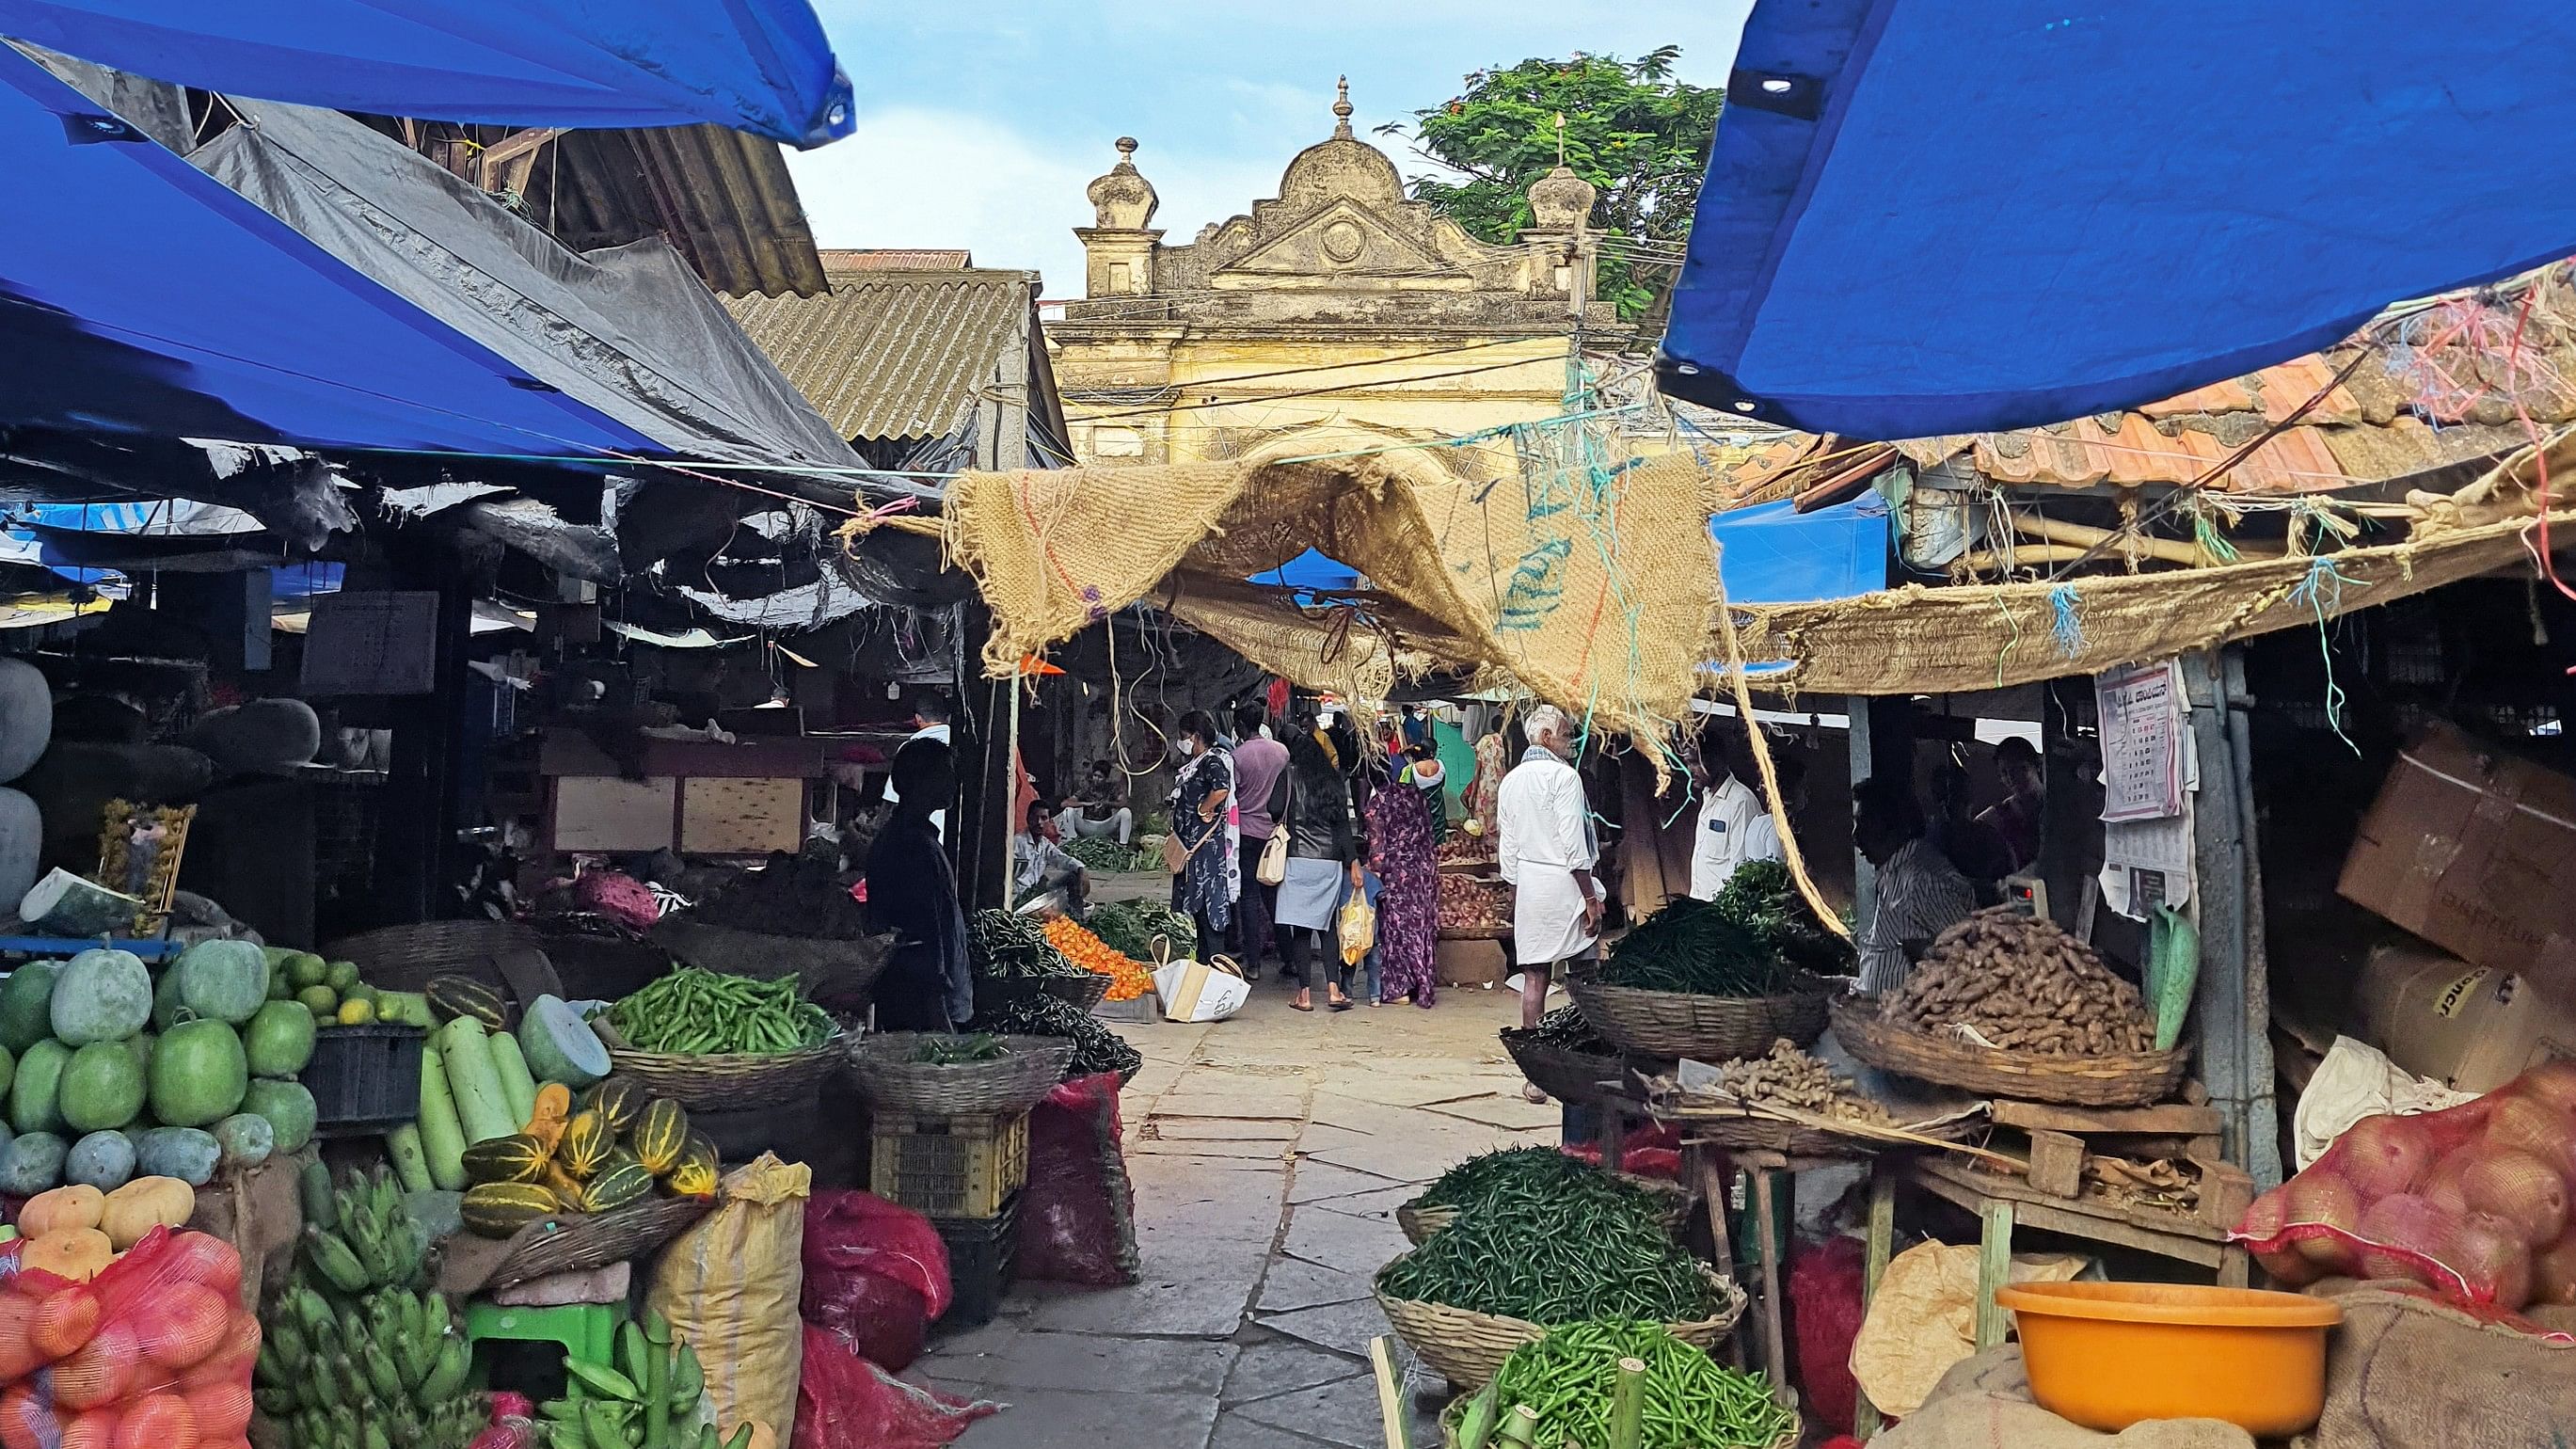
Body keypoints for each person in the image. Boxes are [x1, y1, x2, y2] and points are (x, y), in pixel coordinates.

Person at [1497, 705, 1601, 1034]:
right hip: (1565, 887)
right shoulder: (1566, 777)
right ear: (1546, 737)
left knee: (1534, 977)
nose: (1571, 742)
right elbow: (1574, 845)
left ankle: (1534, 1068)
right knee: (1585, 971)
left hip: (1530, 888)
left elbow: (1508, 851)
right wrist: (1590, 898)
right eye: (1567, 735)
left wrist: (1517, 899)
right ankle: (1587, 1045)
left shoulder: (1510, 782)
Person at [864, 739, 973, 1032]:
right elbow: (918, 937)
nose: (953, 782)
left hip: (917, 996)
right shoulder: (912, 848)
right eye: (945, 773)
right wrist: (936, 1008)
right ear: (921, 781)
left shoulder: (914, 840)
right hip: (917, 1001)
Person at [1852, 775, 1980, 995]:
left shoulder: (1921, 880)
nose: (1856, 837)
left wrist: (1925, 951)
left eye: (1864, 823)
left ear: (1895, 824)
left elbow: (1971, 953)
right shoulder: (1896, 872)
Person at [1277, 712, 1358, 1011]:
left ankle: (1305, 995)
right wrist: (1353, 861)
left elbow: (1274, 809)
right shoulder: (1332, 780)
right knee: (1326, 927)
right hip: (1329, 862)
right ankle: (1334, 991)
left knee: (1300, 930)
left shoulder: (1289, 776)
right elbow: (1343, 827)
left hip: (1298, 860)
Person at [1367, 746, 1440, 1007]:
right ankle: (1423, 983)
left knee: (1398, 931)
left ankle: (1400, 988)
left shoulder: (1377, 805)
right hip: (1422, 872)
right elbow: (1429, 832)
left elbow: (1378, 852)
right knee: (1420, 928)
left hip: (1397, 875)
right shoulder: (1414, 794)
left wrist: (1370, 874)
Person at [1165, 709, 1236, 956]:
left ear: (1195, 736)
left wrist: (1204, 809)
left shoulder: (1212, 761)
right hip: (1191, 852)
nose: (1182, 742)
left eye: (1184, 737)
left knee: (1209, 910)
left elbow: (1221, 789)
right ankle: (1204, 966)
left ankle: (1215, 967)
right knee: (1197, 913)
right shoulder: (1195, 764)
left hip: (1205, 851)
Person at [1230, 701, 1291, 977]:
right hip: (1275, 834)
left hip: (1246, 832)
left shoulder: (1237, 757)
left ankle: (1253, 964)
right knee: (1275, 896)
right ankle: (1289, 957)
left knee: (1249, 899)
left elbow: (1232, 796)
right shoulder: (1281, 752)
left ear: (1241, 725)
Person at [1689, 736, 1782, 900]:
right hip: (1699, 903)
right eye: (1689, 762)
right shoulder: (1707, 796)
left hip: (1719, 908)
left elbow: (1740, 864)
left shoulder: (1741, 801)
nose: (1690, 769)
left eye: (1696, 762)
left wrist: (1716, 907)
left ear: (1718, 760)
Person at [883, 693, 955, 838]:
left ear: (918, 719)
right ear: (947, 717)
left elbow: (892, 800)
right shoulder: (961, 744)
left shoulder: (910, 748)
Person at [1978, 737, 2045, 874]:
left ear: (2037, 765)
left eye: (2020, 769)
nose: (2012, 778)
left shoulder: (2059, 809)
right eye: (2004, 773)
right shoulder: (1995, 817)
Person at [1012, 800, 1089, 911]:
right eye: (1035, 817)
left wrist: (1081, 868)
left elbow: (1061, 859)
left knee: (1073, 876)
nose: (1039, 822)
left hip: (1036, 893)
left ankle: (1077, 916)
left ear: (1049, 822)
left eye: (1044, 818)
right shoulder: (1017, 842)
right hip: (1019, 897)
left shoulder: (1045, 844)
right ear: (1028, 819)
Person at [1056, 759, 1134, 844]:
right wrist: (1085, 804)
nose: (1096, 779)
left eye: (1100, 777)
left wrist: (1106, 804)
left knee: (1126, 812)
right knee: (1068, 811)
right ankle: (1072, 842)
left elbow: (1124, 803)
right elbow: (1064, 803)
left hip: (1105, 826)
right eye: (1095, 775)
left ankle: (1123, 844)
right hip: (1087, 825)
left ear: (1106, 778)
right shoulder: (1087, 788)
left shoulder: (1111, 788)